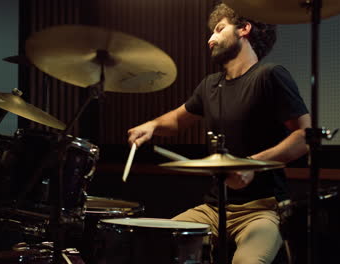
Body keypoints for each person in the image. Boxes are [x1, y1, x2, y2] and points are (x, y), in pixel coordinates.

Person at [127, 3, 310, 264]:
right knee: (161, 244)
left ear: (244, 29)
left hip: (263, 209)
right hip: (213, 208)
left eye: (219, 29)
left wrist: (252, 164)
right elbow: (178, 120)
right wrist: (153, 125)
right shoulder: (210, 85)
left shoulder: (270, 76)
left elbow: (304, 136)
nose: (210, 38)